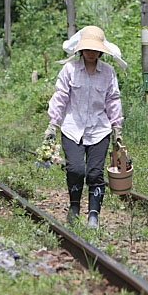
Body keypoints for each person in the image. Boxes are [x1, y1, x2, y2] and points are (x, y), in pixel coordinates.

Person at [44, 25, 126, 227]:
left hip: (100, 130)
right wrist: (52, 124)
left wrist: (117, 129)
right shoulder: (69, 70)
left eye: (95, 49)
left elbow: (113, 100)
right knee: (76, 169)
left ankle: (93, 216)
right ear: (81, 49)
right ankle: (74, 207)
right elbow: (60, 97)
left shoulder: (108, 72)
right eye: (87, 48)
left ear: (101, 51)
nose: (91, 53)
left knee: (95, 173)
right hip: (73, 128)